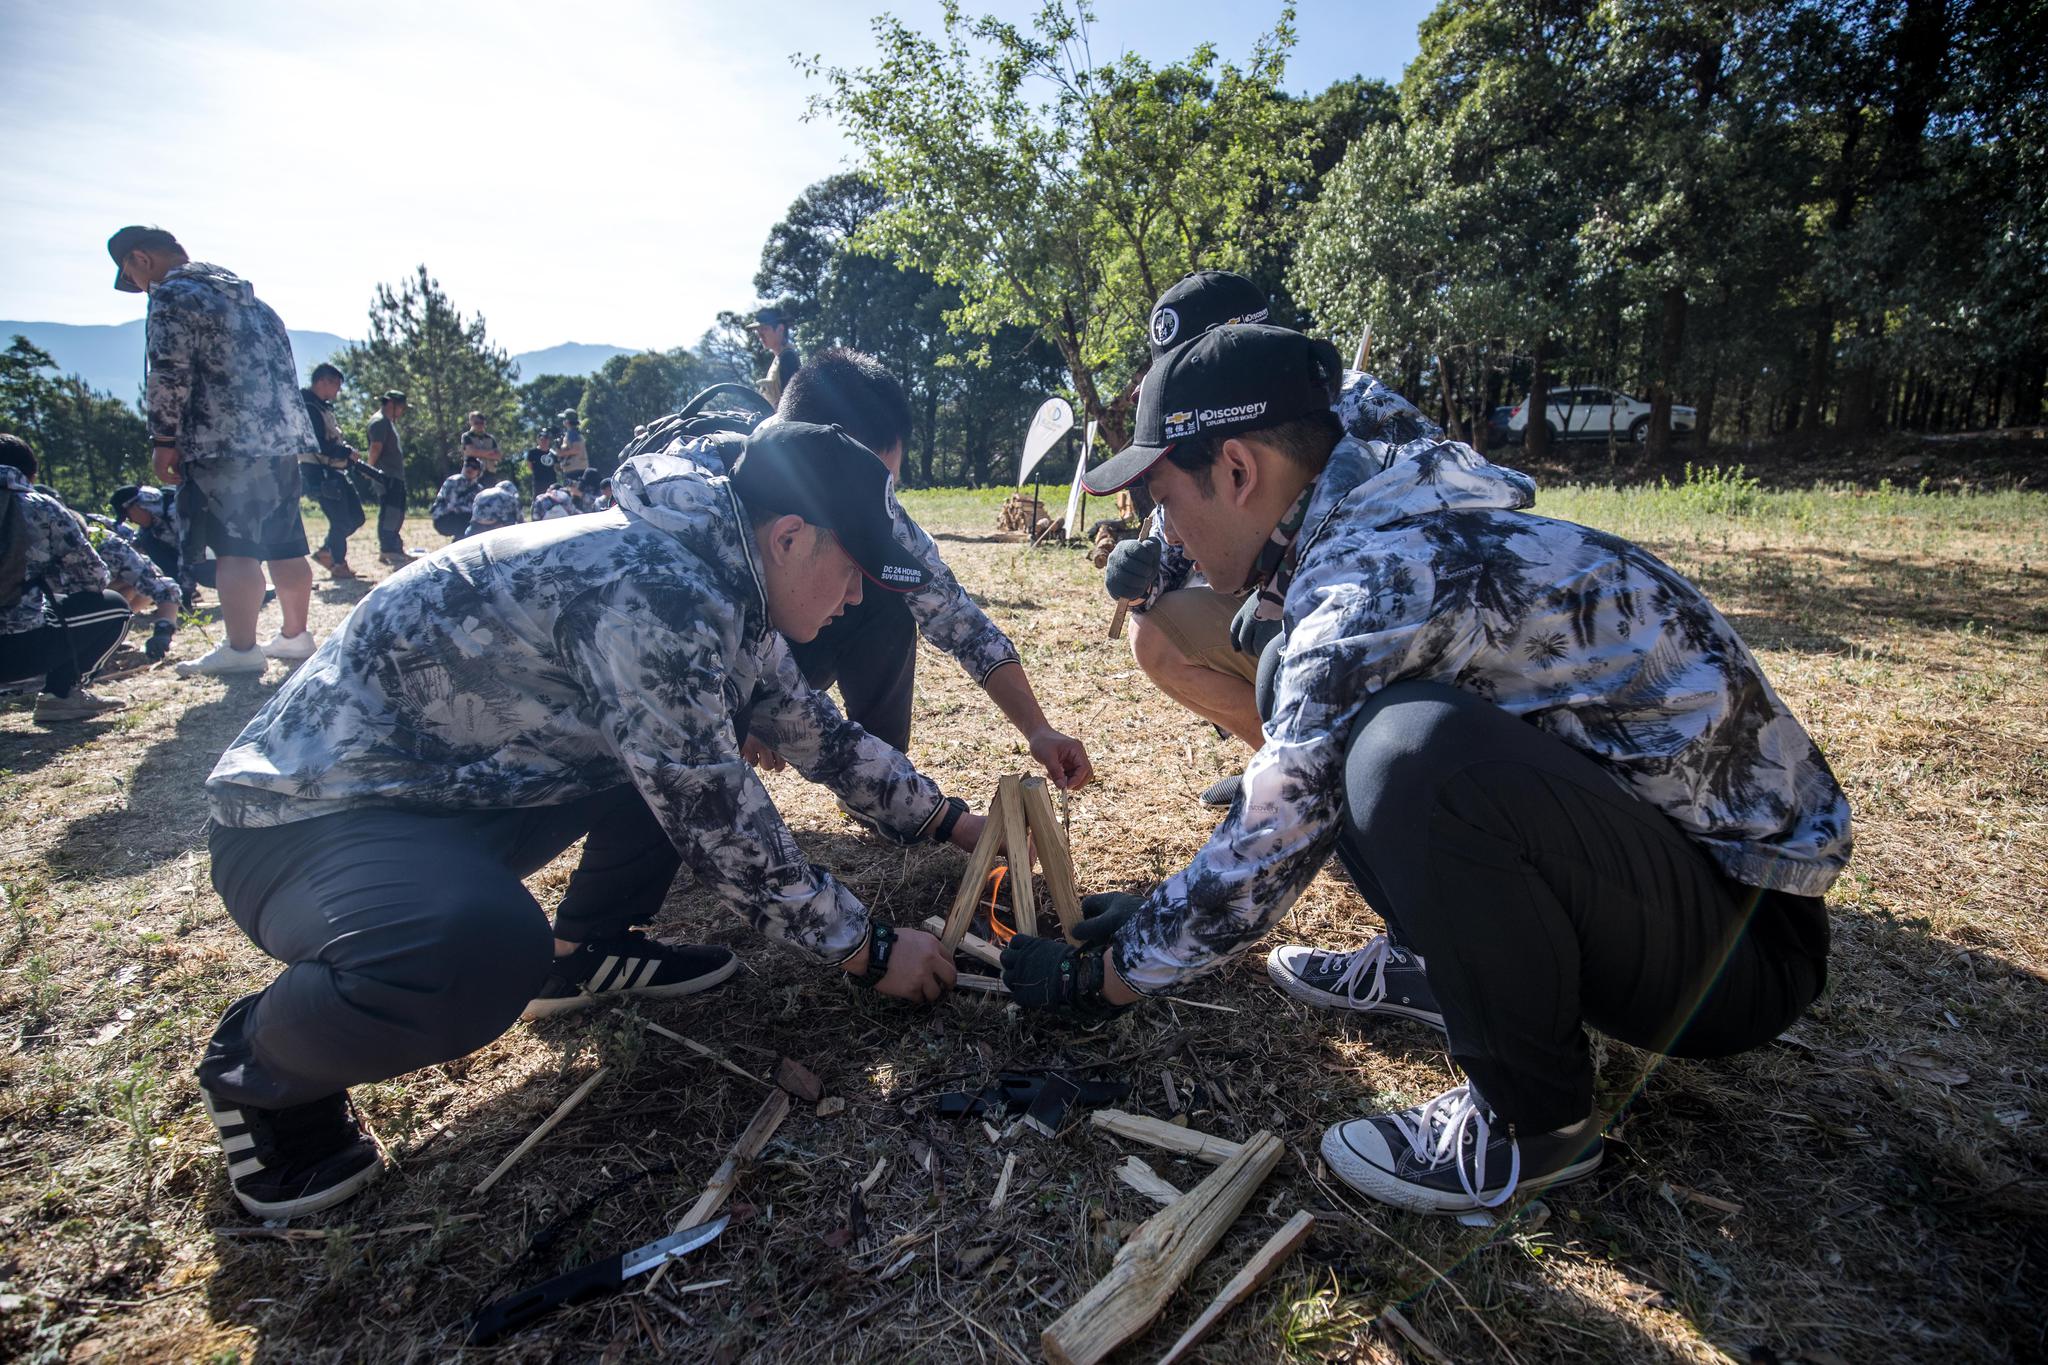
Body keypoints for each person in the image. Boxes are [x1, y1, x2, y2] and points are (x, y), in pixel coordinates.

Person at [999, 324, 1848, 1215]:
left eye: (1164, 499)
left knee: (1410, 758)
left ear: (1240, 471)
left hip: (1742, 952)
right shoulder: (1370, 496)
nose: (1161, 528)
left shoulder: (1373, 575)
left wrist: (1110, 973)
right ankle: (1440, 966)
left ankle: (1534, 1124)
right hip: (1680, 891)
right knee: (1315, 696)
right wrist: (1173, 904)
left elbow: (1273, 833)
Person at [196, 422, 986, 1217]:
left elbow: (818, 734)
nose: (855, 600)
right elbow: (717, 820)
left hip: (445, 798)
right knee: (481, 947)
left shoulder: (719, 574)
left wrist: (951, 821)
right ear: (789, 538)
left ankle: (589, 948)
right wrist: (870, 946)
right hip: (303, 823)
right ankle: (261, 1062)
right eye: (850, 573)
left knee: (673, 742)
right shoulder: (657, 594)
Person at [1103, 271, 1439, 807]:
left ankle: (1334, 775)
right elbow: (1177, 550)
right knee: (1154, 633)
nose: (1190, 378)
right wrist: (1138, 581)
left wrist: (1283, 600)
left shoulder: (1355, 403)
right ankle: (1286, 772)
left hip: (1375, 610)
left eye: (1201, 356)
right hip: (1279, 607)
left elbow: (1428, 524)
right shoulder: (1184, 423)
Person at [748, 348, 1094, 791]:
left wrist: (1038, 728)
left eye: (887, 486)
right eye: (868, 485)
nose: (878, 504)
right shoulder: (708, 504)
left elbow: (958, 619)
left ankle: (879, 780)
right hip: (719, 677)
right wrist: (752, 706)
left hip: (786, 658)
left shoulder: (873, 504)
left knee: (888, 588)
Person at [109, 225, 317, 675]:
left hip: (221, 440)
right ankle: (296, 635)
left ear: (140, 259)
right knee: (285, 542)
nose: (140, 287)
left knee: (234, 546)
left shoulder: (173, 296)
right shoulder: (255, 302)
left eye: (133, 276)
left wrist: (164, 440)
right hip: (278, 440)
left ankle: (241, 650)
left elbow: (169, 372)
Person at [0, 434, 133, 722]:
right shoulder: (38, 505)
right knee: (115, 607)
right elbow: (94, 579)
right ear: (31, 474)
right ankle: (61, 694)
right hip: (17, 649)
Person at [299, 363, 368, 581]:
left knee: (355, 517)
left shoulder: (322, 406)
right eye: (336, 385)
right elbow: (318, 444)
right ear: (323, 382)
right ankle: (338, 563)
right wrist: (345, 451)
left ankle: (327, 551)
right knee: (340, 520)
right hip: (319, 471)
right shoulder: (309, 407)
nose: (337, 391)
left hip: (334, 469)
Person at [110, 483, 211, 601]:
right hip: (194, 553)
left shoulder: (176, 510)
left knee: (203, 573)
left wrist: (183, 595)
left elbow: (187, 553)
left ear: (137, 506)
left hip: (213, 552)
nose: (131, 520)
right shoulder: (152, 519)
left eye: (128, 515)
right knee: (147, 541)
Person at [364, 391, 414, 566]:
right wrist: (369, 469)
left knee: (397, 512)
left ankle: (393, 548)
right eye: (401, 407)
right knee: (390, 513)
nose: (402, 411)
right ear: (391, 404)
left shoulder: (387, 423)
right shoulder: (380, 422)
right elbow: (376, 447)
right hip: (387, 476)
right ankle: (388, 549)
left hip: (394, 475)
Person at [754, 307, 801, 408]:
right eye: (758, 331)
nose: (760, 336)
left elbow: (789, 403)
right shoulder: (778, 358)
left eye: (765, 329)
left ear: (780, 329)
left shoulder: (788, 358)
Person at [431, 457, 485, 538]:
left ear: (479, 472)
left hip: (462, 517)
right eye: (467, 465)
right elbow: (451, 505)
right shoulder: (454, 481)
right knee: (467, 521)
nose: (470, 468)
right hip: (444, 517)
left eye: (474, 467)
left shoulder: (478, 488)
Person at [458, 411, 501, 475]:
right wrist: (490, 453)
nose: (479, 425)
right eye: (476, 423)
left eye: (481, 423)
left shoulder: (490, 438)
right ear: (471, 422)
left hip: (489, 473)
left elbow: (498, 456)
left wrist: (479, 453)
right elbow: (471, 451)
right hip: (471, 473)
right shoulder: (467, 436)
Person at [555, 409, 589, 484]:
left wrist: (561, 453)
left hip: (575, 470)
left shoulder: (572, 433)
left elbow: (576, 449)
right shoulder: (573, 432)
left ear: (567, 421)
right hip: (576, 468)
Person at [525, 427, 558, 498]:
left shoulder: (553, 453)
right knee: (538, 499)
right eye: (542, 439)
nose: (544, 441)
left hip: (552, 482)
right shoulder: (533, 452)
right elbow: (529, 466)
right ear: (538, 440)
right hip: (538, 482)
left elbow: (556, 467)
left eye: (546, 439)